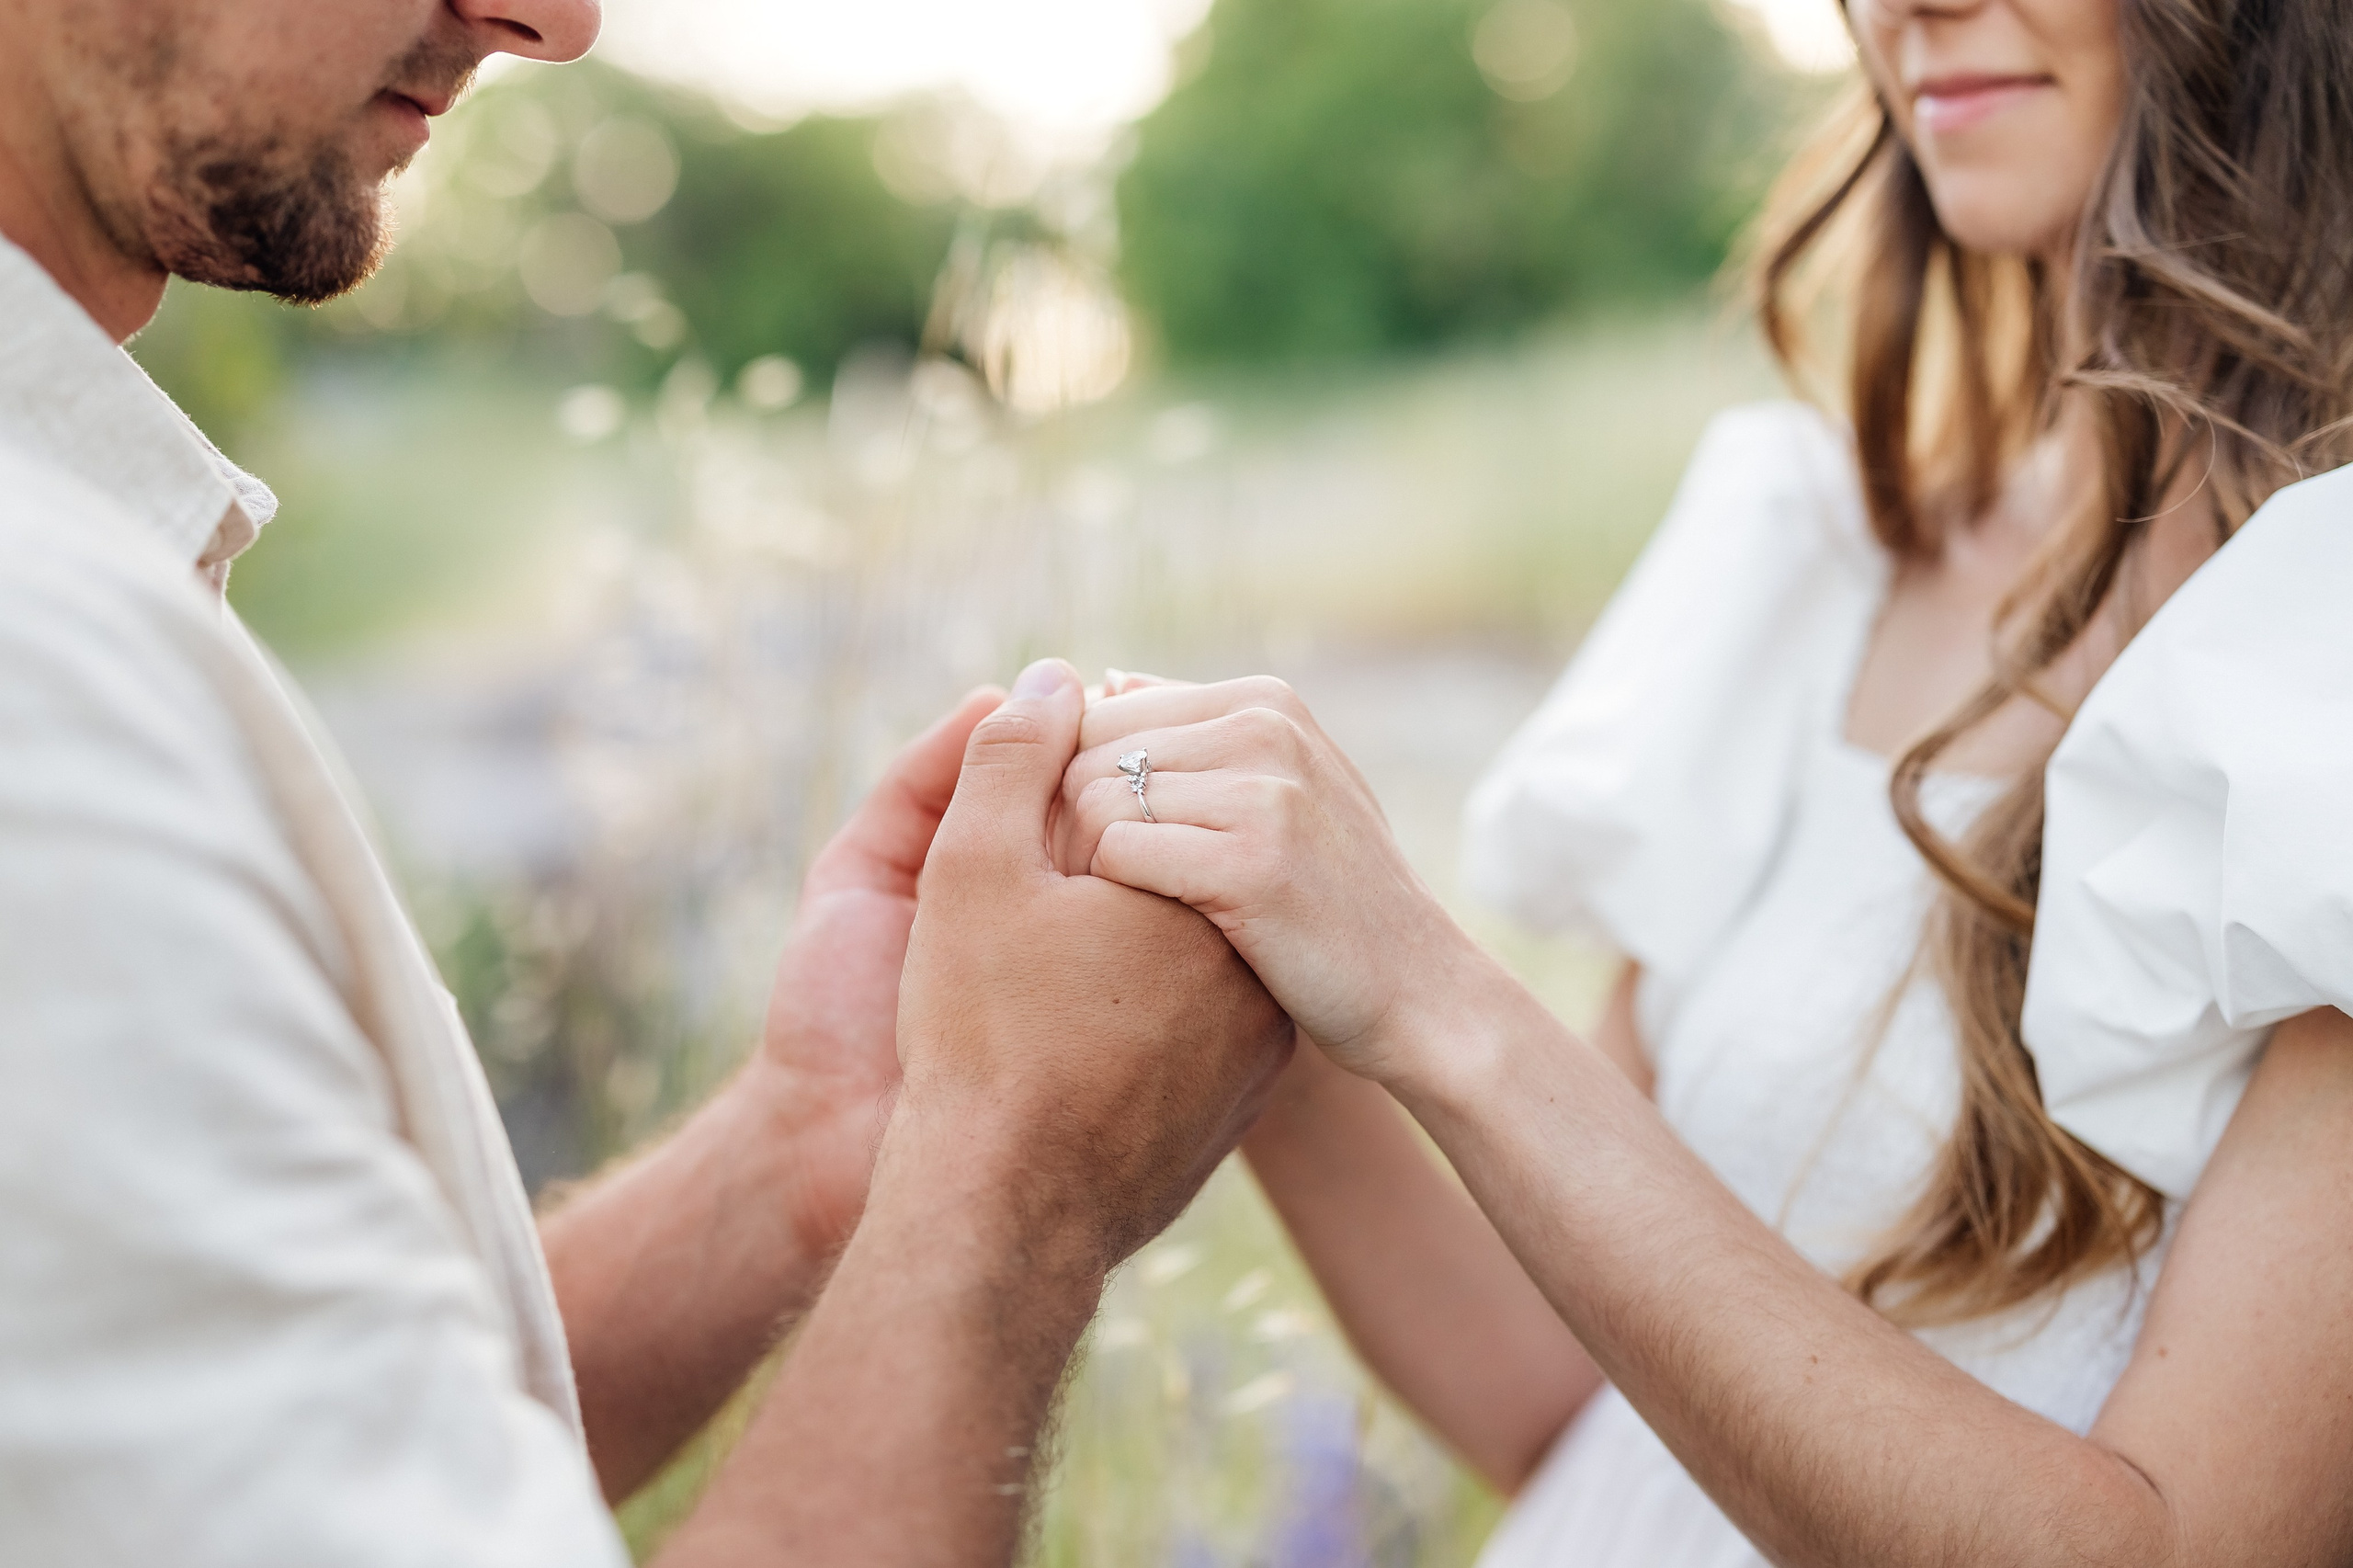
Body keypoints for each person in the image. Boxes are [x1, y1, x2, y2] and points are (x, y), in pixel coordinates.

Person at [0, 2, 1292, 1562]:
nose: (556, 19)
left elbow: (279, 1450)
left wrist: (809, 1143)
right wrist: (1015, 1178)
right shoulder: (39, 681)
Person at [1063, 0, 2353, 1562]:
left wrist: (1436, 994)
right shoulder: (1815, 551)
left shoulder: (2321, 648)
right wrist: (1252, 948)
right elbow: (1568, 1399)